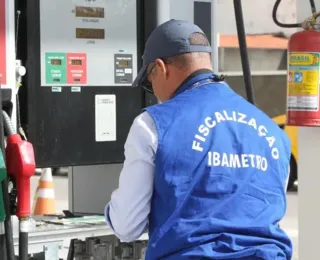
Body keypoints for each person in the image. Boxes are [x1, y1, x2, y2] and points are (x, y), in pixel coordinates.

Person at [105, 19, 293, 260]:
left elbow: (126, 226)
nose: (154, 93)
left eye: (149, 83)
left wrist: (112, 211)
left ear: (160, 68)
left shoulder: (153, 125)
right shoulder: (273, 132)